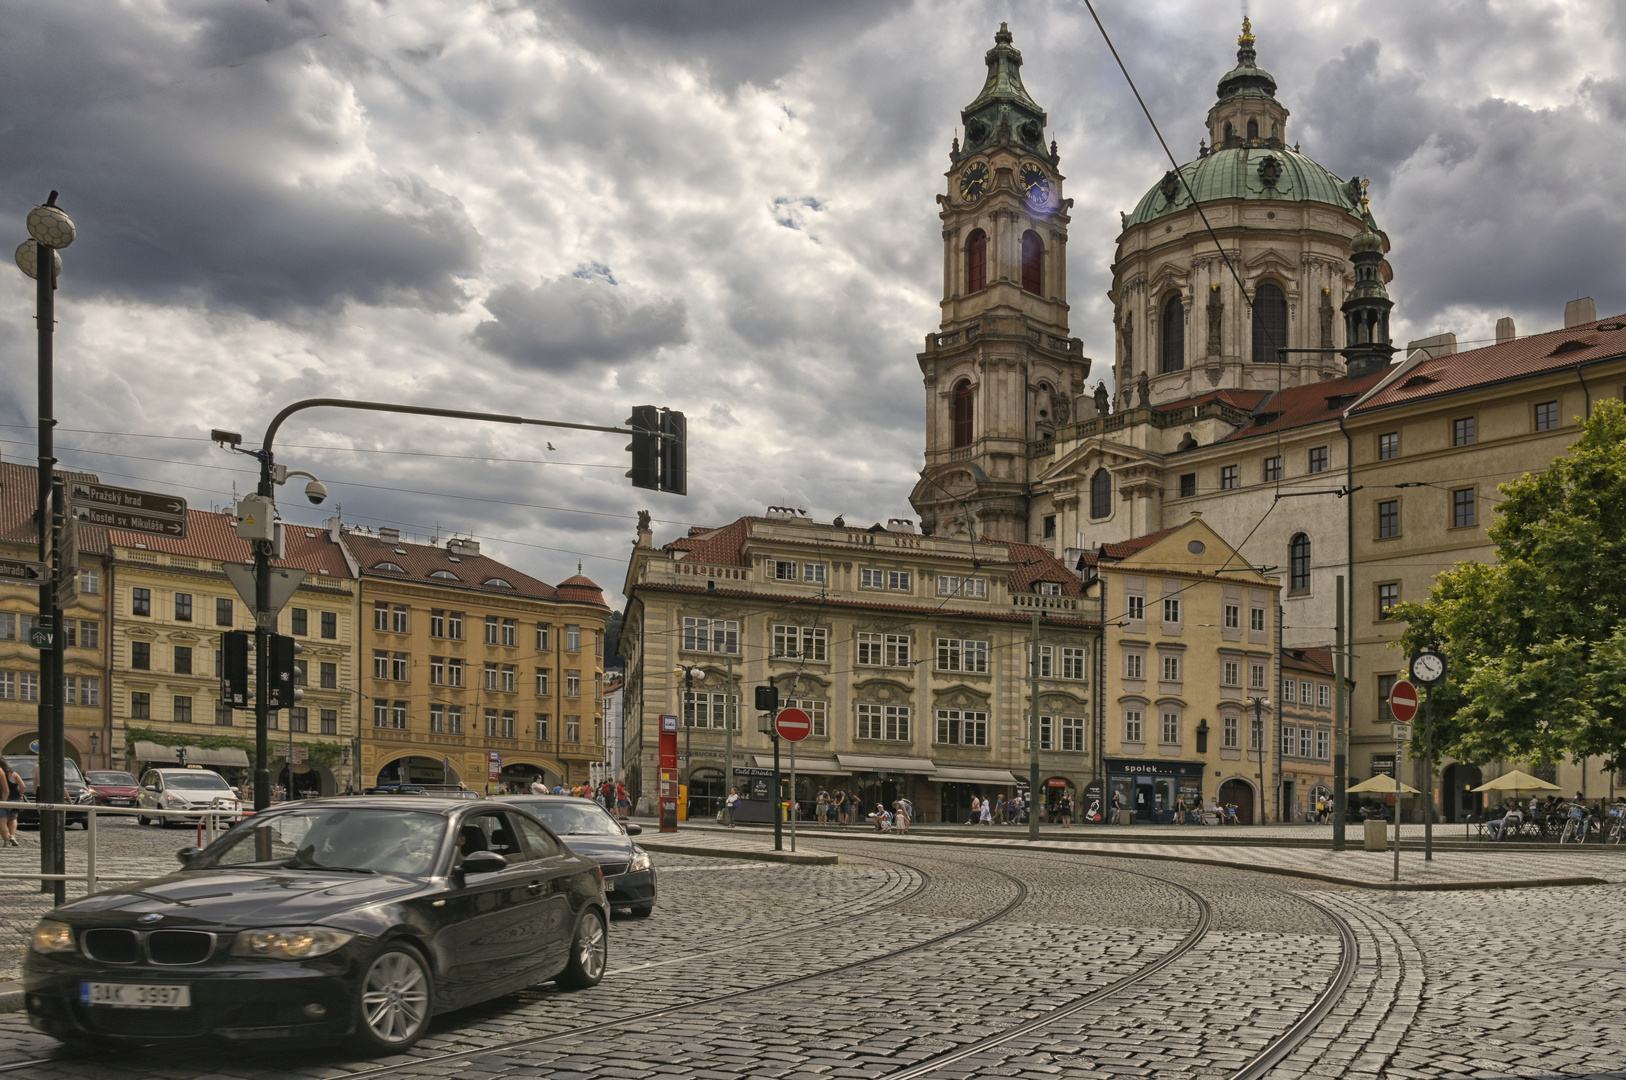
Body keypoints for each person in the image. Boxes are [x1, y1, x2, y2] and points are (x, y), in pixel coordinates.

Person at [0, 757, 20, 847]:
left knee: (2, 821)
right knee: (7, 819)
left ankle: (7, 840)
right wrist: (3, 802)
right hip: (5, 800)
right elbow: (5, 790)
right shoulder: (3, 771)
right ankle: (8, 840)